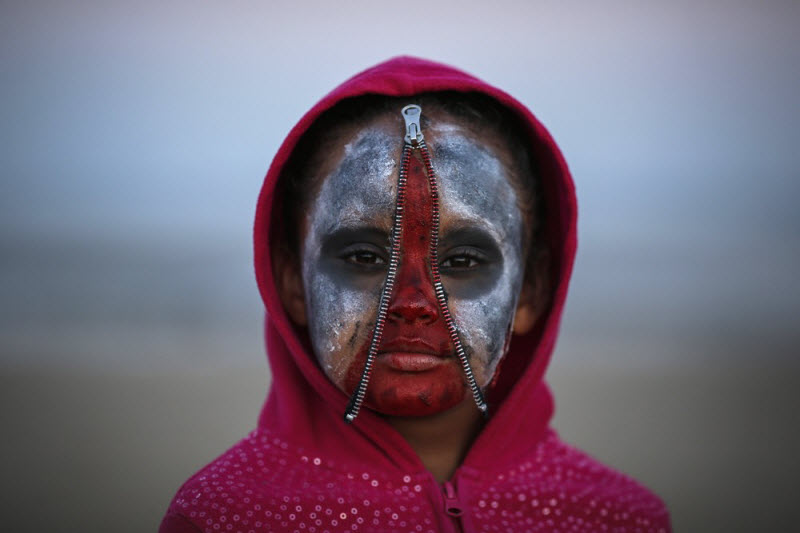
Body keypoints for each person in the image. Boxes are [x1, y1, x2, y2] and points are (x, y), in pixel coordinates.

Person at [160, 56, 671, 533]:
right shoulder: (225, 515)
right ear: (292, 280)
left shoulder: (616, 517)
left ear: (530, 289)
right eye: (364, 257)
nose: (412, 303)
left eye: (462, 261)